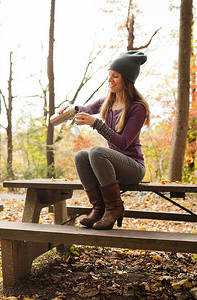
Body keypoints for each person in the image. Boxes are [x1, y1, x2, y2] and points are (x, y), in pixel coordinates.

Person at [59, 50, 150, 230]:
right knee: (80, 156)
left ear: (127, 79)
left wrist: (97, 124)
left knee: (97, 152)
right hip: (112, 169)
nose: (110, 80)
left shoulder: (137, 108)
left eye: (115, 76)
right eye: (109, 75)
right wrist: (72, 108)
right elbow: (85, 107)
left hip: (133, 168)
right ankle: (99, 208)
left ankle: (114, 208)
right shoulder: (108, 101)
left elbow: (123, 143)